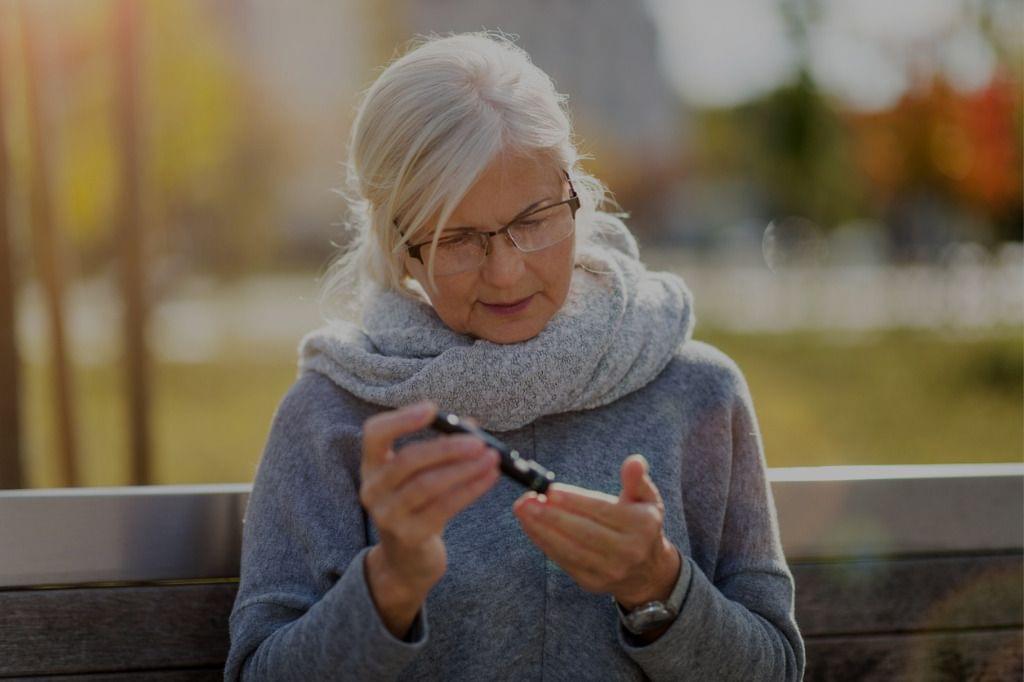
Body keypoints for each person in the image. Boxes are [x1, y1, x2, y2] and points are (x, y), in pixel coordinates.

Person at [224, 30, 805, 681]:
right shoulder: (331, 417)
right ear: (400, 247)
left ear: (575, 195)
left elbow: (775, 670)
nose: (505, 274)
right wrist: (387, 587)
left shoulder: (699, 394)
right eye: (458, 239)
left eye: (533, 221)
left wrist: (658, 586)